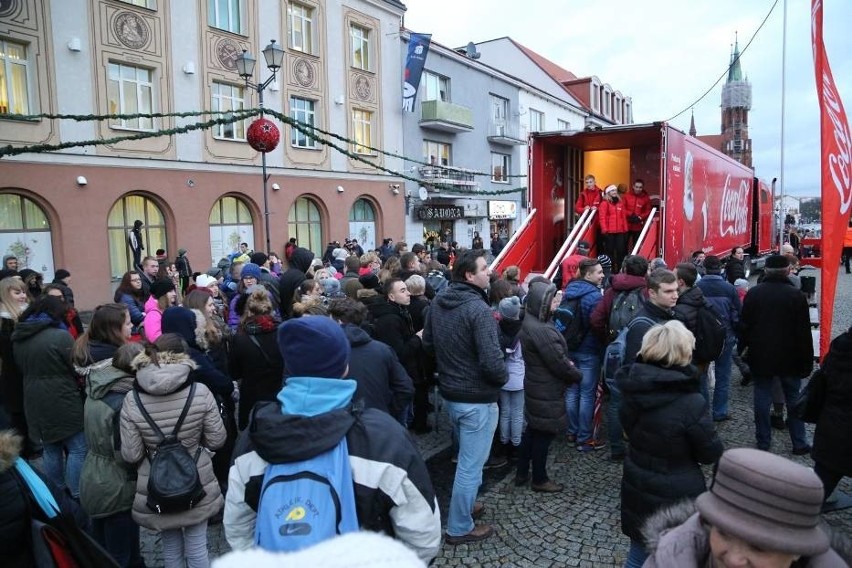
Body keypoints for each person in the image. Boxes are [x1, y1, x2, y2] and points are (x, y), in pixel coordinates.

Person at [224, 316, 441, 563]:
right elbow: (422, 534)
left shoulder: (254, 436)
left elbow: (237, 525)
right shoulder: (382, 437)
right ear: (344, 366)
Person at [617, 320, 723, 567]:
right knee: (679, 556)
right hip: (677, 493)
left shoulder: (632, 388)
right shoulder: (691, 402)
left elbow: (627, 428)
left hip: (637, 478)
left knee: (637, 552)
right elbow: (709, 452)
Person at [422, 249, 507, 544]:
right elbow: (492, 362)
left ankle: (467, 504)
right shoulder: (478, 310)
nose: (490, 272)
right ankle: (459, 526)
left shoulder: (437, 304)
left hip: (451, 393)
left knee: (468, 462)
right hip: (476, 399)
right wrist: (503, 378)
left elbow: (429, 344)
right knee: (471, 466)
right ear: (470, 275)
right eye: (485, 268)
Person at [642, 448, 849, 567]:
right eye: (723, 533)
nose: (733, 559)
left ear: (798, 551)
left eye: (759, 546)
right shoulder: (664, 561)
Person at [120, 335, 226, 568]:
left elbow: (131, 454)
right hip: (196, 477)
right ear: (183, 357)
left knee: (170, 548)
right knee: (198, 548)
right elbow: (217, 439)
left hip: (156, 483)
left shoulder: (132, 398)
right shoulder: (200, 391)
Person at [75, 308, 144, 568]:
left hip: (94, 475)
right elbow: (126, 453)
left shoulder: (97, 389)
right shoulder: (120, 402)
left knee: (107, 548)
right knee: (119, 556)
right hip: (114, 485)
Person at [12, 295, 86, 499]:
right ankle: (76, 491)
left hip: (32, 395)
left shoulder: (19, 337)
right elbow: (75, 366)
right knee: (78, 447)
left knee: (50, 447)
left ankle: (57, 491)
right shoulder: (59, 336)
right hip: (62, 395)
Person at [739, 254, 812, 455]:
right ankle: (799, 442)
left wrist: (743, 350)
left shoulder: (754, 294)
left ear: (765, 271)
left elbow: (744, 326)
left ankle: (763, 441)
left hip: (761, 355)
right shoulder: (796, 296)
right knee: (794, 399)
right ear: (788, 271)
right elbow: (804, 333)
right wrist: (807, 362)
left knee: (762, 398)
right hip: (791, 357)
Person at [515, 282, 582, 492]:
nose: (558, 302)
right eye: (553, 299)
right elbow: (559, 363)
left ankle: (521, 472)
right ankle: (540, 479)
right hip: (546, 388)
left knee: (533, 430)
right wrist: (577, 375)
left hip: (536, 383)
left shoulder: (531, 321)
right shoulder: (543, 330)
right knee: (544, 433)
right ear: (542, 302)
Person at [328, 297, 414, 423]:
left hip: (341, 424)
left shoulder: (326, 353)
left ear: (339, 322)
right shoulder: (383, 349)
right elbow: (405, 388)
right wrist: (388, 412)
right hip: (379, 422)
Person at [367, 278, 429, 433]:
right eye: (402, 291)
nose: (408, 293)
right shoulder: (390, 319)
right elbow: (399, 352)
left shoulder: (399, 312)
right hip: (400, 374)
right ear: (391, 297)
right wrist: (417, 338)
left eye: (407, 289)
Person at [563, 258, 606, 452]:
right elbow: (597, 324)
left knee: (571, 391)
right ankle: (584, 436)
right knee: (587, 394)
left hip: (570, 347)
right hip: (588, 350)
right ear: (588, 274)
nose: (603, 275)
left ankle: (571, 432)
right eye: (599, 272)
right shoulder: (594, 296)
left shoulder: (568, 292)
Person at [228, 288, 284, 430]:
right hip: (280, 395)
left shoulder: (240, 338)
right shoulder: (283, 332)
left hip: (252, 397)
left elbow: (234, 372)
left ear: (249, 311)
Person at [696, 255, 742, 421]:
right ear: (720, 268)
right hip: (725, 336)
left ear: (704, 268)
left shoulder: (698, 287)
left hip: (702, 337)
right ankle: (720, 411)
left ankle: (703, 411)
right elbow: (737, 313)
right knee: (723, 375)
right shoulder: (729, 288)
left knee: (701, 376)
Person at [811, 325, 852, 503]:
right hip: (838, 423)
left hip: (833, 424)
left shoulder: (841, 344)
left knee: (818, 488)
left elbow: (825, 377)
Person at [0, 276, 30, 454]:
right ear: (5, 294)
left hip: (23, 371)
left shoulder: (24, 315)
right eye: (17, 292)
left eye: (24, 292)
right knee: (17, 413)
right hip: (12, 374)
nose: (23, 296)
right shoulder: (6, 322)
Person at [496, 296, 524, 460]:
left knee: (505, 412)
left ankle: (503, 442)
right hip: (519, 376)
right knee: (518, 413)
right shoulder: (522, 330)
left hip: (503, 374)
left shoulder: (497, 329)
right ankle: (516, 444)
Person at [278, 247, 315, 319]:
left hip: (286, 314)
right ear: (303, 261)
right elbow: (301, 300)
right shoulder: (300, 277)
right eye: (309, 262)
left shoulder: (288, 273)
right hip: (295, 315)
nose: (310, 266)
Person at [598, 185, 629, 272]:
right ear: (608, 193)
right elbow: (602, 218)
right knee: (609, 252)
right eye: (612, 191)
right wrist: (604, 230)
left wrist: (625, 230)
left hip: (620, 231)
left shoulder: (620, 203)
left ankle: (619, 269)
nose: (614, 192)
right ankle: (609, 271)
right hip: (609, 232)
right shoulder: (604, 203)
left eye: (615, 190)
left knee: (620, 251)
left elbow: (623, 217)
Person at [143, 278, 177, 343]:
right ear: (162, 294)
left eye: (174, 290)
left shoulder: (165, 309)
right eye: (170, 291)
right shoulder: (153, 315)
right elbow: (155, 339)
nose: (174, 294)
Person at [114, 271, 146, 336]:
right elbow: (137, 317)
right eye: (134, 280)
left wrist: (144, 313)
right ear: (127, 283)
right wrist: (149, 315)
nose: (138, 282)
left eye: (139, 279)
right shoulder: (126, 297)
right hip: (133, 332)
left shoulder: (135, 293)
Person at [622, 179, 651, 250]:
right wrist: (631, 214)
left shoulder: (646, 198)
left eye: (640, 187)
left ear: (642, 188)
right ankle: (624, 260)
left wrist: (640, 217)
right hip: (626, 225)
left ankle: (635, 260)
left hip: (638, 225)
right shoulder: (626, 196)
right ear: (633, 186)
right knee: (623, 245)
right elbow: (622, 208)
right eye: (636, 187)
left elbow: (648, 211)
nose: (638, 189)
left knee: (637, 245)